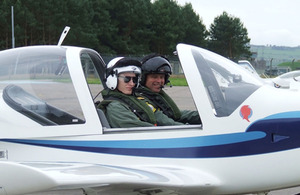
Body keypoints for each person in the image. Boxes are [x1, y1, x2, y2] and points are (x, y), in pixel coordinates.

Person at [99, 57, 183, 128]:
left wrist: (184, 127)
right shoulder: (115, 106)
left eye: (134, 79)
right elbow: (139, 130)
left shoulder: (137, 100)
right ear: (112, 79)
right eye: (126, 79)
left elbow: (158, 115)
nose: (132, 83)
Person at [136, 54, 201, 125]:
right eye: (154, 77)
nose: (159, 81)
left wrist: (202, 115)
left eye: (162, 77)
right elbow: (164, 121)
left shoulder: (154, 96)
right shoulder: (139, 99)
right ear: (143, 78)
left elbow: (175, 114)